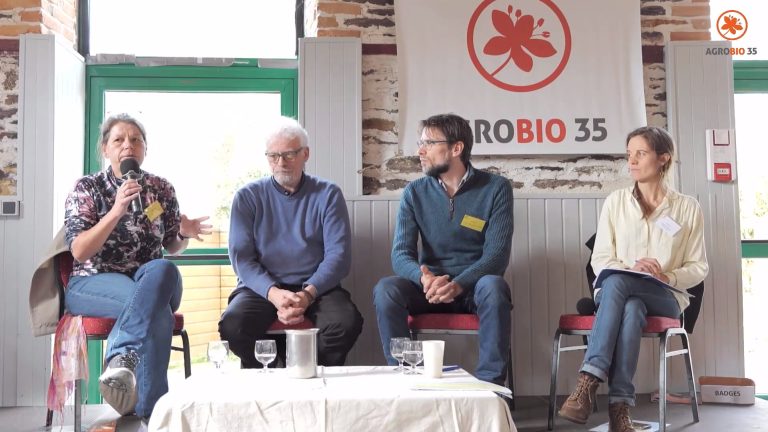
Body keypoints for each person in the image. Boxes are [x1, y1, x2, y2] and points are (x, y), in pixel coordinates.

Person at [558, 126, 708, 432]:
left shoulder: (687, 207)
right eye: (629, 155)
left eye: (640, 153)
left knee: (619, 285)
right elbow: (599, 259)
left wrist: (666, 274)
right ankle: (619, 408)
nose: (632, 162)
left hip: (665, 296)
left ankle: (588, 380)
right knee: (629, 304)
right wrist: (631, 268)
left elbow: (699, 266)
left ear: (663, 158)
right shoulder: (615, 202)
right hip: (619, 292)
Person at [63, 113, 211, 418]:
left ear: (144, 149)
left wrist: (183, 233)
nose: (128, 145)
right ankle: (153, 414)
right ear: (105, 149)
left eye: (136, 139)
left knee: (165, 269)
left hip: (150, 281)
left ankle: (121, 357)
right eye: (118, 140)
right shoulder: (87, 188)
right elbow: (79, 251)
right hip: (94, 280)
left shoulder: (160, 189)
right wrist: (116, 210)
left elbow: (172, 247)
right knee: (156, 313)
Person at [373, 113, 514, 385]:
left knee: (495, 287)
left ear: (456, 148)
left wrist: (459, 284)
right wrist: (424, 278)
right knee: (386, 290)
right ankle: (407, 378)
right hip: (430, 287)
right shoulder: (414, 192)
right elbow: (400, 254)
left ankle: (491, 388)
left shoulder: (496, 188)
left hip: (474, 287)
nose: (420, 151)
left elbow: (496, 256)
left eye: (429, 143)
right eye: (420, 142)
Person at [219, 117, 363, 368]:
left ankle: (313, 378)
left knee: (346, 323)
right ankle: (274, 374)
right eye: (273, 156)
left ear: (305, 154)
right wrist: (274, 294)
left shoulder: (328, 194)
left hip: (318, 289)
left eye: (288, 155)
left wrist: (307, 295)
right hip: (261, 289)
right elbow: (242, 259)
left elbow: (338, 257)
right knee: (233, 325)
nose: (280, 163)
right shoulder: (247, 197)